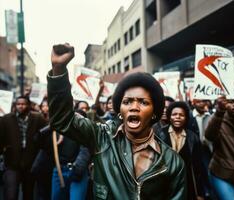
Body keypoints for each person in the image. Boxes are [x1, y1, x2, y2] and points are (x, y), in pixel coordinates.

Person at [47, 43, 186, 199]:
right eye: (127, 102)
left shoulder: (173, 163)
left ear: (154, 113)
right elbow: (61, 120)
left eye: (143, 102)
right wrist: (58, 70)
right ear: (120, 111)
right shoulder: (102, 137)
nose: (134, 107)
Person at [0, 96, 47, 200]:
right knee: (10, 194)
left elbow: (45, 136)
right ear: (15, 105)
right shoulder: (6, 119)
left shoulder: (37, 118)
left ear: (29, 105)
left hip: (30, 164)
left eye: (23, 104)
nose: (20, 106)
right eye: (18, 104)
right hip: (12, 163)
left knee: (28, 194)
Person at [156, 101, 205, 200]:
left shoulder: (193, 138)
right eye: (174, 114)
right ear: (169, 117)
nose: (178, 117)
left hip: (187, 184)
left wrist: (199, 193)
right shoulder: (159, 135)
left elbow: (198, 167)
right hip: (165, 184)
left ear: (186, 118)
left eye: (181, 115)